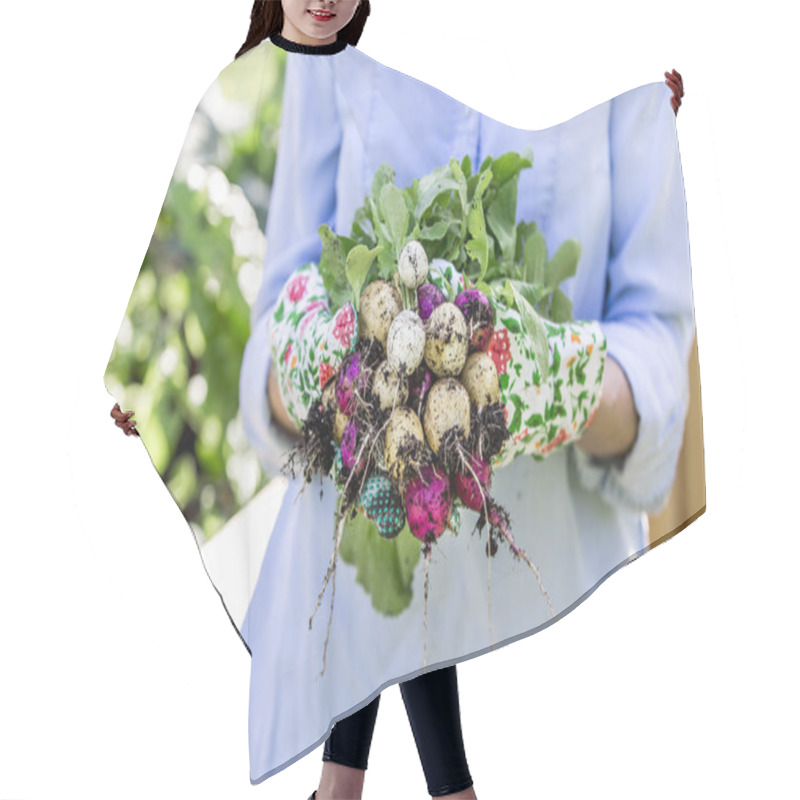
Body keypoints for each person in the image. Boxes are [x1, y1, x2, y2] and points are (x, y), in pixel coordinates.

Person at [109, 2, 689, 798]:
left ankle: (355, 789)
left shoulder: (595, 55)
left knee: (413, 534)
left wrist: (569, 384)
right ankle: (411, 790)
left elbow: (660, 349)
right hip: (362, 484)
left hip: (544, 543)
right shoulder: (329, 58)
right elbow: (279, 312)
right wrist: (317, 363)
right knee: (403, 527)